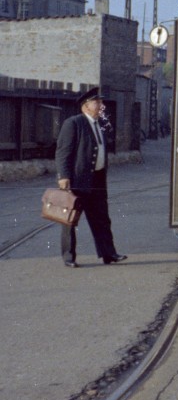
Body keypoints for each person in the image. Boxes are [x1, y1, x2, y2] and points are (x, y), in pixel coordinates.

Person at [55, 88, 126, 268]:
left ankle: (109, 254)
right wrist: (64, 176)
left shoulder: (98, 124)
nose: (101, 105)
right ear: (86, 106)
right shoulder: (74, 123)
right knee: (70, 220)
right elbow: (63, 152)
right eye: (97, 102)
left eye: (101, 102)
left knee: (102, 218)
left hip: (97, 180)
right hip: (78, 181)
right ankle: (69, 257)